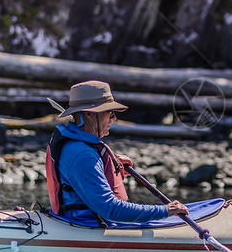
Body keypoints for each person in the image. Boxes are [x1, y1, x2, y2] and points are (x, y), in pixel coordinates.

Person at [46, 80, 188, 226]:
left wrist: (108, 164)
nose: (114, 117)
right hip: (89, 225)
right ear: (88, 114)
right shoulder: (81, 155)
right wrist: (164, 211)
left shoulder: (78, 146)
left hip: (88, 220)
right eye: (109, 111)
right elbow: (110, 209)